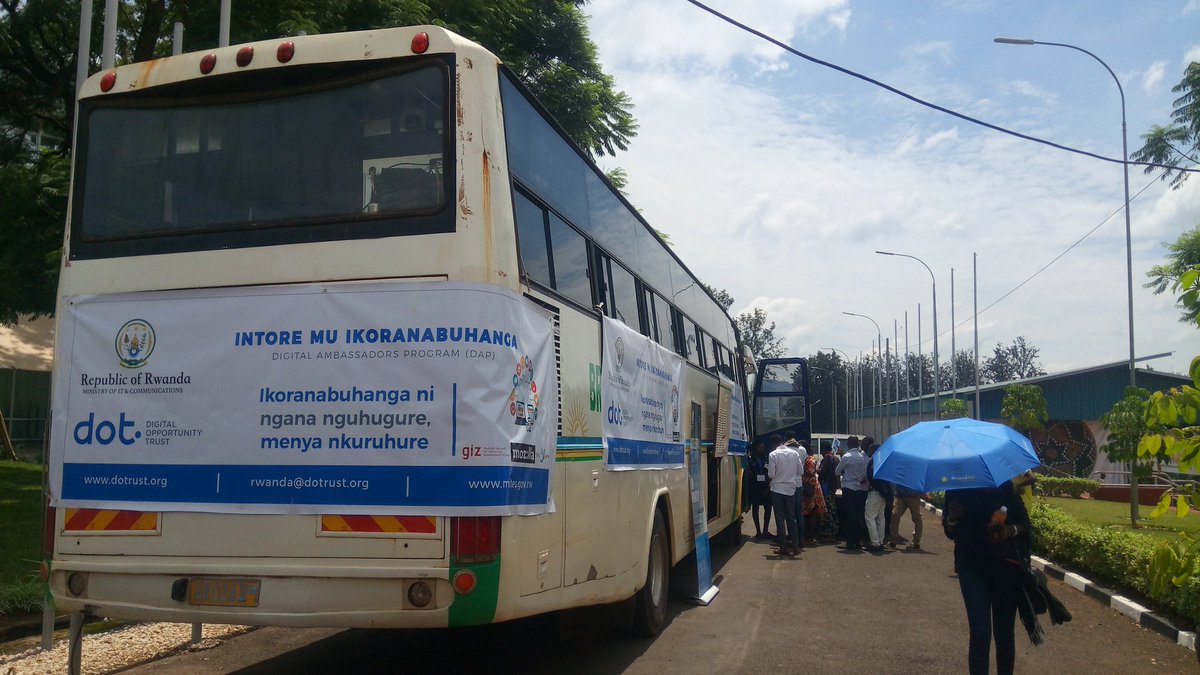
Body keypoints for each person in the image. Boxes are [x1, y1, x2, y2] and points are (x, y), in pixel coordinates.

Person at [943, 479, 1032, 675]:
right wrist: (952, 517)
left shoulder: (1004, 486)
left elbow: (1025, 525)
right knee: (980, 631)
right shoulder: (957, 486)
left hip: (1006, 567)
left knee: (1004, 632)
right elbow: (949, 531)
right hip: (972, 566)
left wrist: (1009, 531)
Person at [767, 436, 803, 556]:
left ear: (774, 444)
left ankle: (784, 548)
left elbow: (771, 474)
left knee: (779, 519)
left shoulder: (773, 454)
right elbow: (800, 472)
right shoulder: (794, 454)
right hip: (791, 489)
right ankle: (796, 547)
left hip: (777, 489)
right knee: (791, 518)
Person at [834, 436, 869, 552]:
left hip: (848, 488)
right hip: (858, 488)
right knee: (858, 514)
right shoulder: (861, 457)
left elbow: (837, 471)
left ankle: (850, 542)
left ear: (848, 444)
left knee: (849, 516)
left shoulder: (846, 457)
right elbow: (863, 474)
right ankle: (857, 540)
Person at [863, 443, 893, 551]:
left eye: (870, 450)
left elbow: (871, 477)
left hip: (875, 492)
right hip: (884, 493)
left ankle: (875, 542)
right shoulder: (884, 461)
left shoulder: (873, 461)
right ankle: (880, 541)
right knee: (881, 517)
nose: (868, 452)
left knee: (869, 517)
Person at [747, 441, 773, 539]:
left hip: (765, 487)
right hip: (755, 487)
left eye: (763, 447)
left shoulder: (766, 459)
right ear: (756, 448)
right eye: (761, 447)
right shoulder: (750, 460)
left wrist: (768, 487)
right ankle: (758, 531)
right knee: (755, 508)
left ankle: (765, 530)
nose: (763, 449)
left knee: (768, 507)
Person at [800, 449, 826, 545]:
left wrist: (802, 470)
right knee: (810, 512)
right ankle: (809, 534)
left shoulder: (809, 460)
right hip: (811, 486)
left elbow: (811, 472)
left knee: (811, 512)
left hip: (810, 487)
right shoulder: (811, 459)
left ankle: (810, 535)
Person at [890, 483, 925, 550]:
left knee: (916, 518)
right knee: (895, 515)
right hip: (900, 495)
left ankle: (915, 542)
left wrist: (923, 491)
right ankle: (892, 541)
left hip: (913, 495)